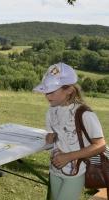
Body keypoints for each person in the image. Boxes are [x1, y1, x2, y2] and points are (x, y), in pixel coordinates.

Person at [33, 62, 106, 200]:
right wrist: (50, 136)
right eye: (46, 91)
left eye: (52, 91)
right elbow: (53, 133)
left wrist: (68, 156)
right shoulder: (51, 111)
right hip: (55, 170)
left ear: (69, 90)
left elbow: (100, 145)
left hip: (76, 173)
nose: (47, 96)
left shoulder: (84, 114)